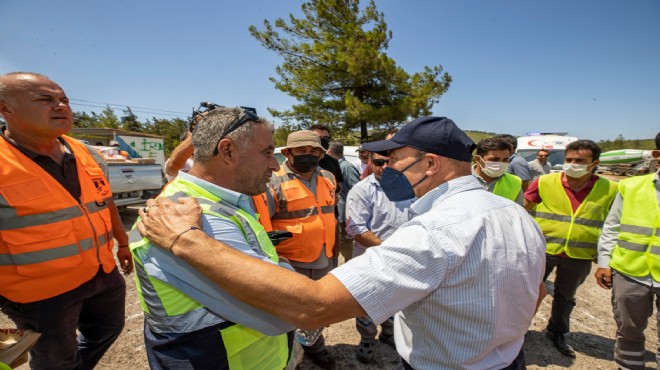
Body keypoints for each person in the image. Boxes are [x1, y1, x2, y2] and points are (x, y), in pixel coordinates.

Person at [138, 116, 547, 370]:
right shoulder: (512, 213)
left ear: (431, 164)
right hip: (509, 360)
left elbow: (314, 306)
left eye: (394, 161)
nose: (383, 170)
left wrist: (186, 240)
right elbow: (537, 293)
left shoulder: (435, 231)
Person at [129, 107, 298, 369]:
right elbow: (284, 311)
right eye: (267, 153)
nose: (275, 165)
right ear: (228, 151)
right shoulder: (193, 218)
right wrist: (285, 270)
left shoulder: (215, 202)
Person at [0, 72, 132, 369]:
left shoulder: (86, 152)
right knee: (55, 358)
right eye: (45, 100)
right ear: (5, 108)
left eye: (64, 100)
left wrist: (122, 242)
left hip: (101, 272)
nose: (60, 106)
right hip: (40, 293)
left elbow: (104, 200)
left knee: (108, 329)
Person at [524, 139, 618, 358]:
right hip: (543, 249)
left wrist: (606, 259)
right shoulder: (545, 182)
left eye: (580, 160)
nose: (573, 164)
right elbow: (522, 210)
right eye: (569, 160)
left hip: (579, 254)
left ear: (595, 163)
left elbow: (613, 224)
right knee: (528, 290)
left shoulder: (611, 189)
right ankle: (519, 329)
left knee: (566, 296)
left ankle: (557, 332)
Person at [266, 130, 338, 369]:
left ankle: (316, 348)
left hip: (323, 257)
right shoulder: (272, 180)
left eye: (314, 151)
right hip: (290, 261)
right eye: (301, 151)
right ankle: (291, 358)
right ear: (288, 153)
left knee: (318, 310)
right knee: (289, 314)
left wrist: (334, 253)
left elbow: (329, 215)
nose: (308, 156)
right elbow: (263, 225)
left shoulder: (328, 177)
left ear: (321, 153)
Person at [594, 132, 660, 370]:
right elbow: (612, 226)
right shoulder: (631, 186)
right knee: (629, 330)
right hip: (630, 272)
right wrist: (604, 262)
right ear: (657, 155)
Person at [345, 150, 415, 363]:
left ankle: (389, 333)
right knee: (367, 302)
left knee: (397, 298)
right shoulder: (361, 190)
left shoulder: (410, 187)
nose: (384, 167)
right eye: (378, 162)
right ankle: (367, 338)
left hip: (404, 258)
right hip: (371, 260)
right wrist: (388, 251)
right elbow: (357, 228)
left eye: (389, 161)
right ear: (370, 162)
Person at [327, 140, 361, 263]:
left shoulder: (346, 167)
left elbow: (357, 189)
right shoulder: (336, 166)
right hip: (339, 213)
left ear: (330, 152)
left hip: (345, 213)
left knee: (345, 240)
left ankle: (349, 262)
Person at [472, 137, 524, 205]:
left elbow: (518, 211)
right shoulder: (461, 179)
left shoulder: (514, 182)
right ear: (478, 159)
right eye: (494, 159)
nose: (500, 163)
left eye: (505, 160)